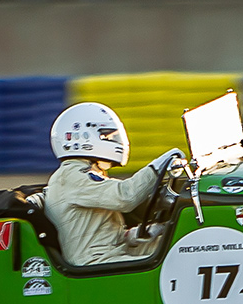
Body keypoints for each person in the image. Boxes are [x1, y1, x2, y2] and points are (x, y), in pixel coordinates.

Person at [44, 102, 183, 266]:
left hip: (111, 253)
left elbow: (103, 234)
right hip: (95, 262)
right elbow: (125, 197)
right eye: (107, 136)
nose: (113, 140)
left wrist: (142, 232)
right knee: (176, 260)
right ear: (81, 138)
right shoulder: (71, 175)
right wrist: (158, 166)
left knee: (181, 245)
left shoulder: (82, 173)